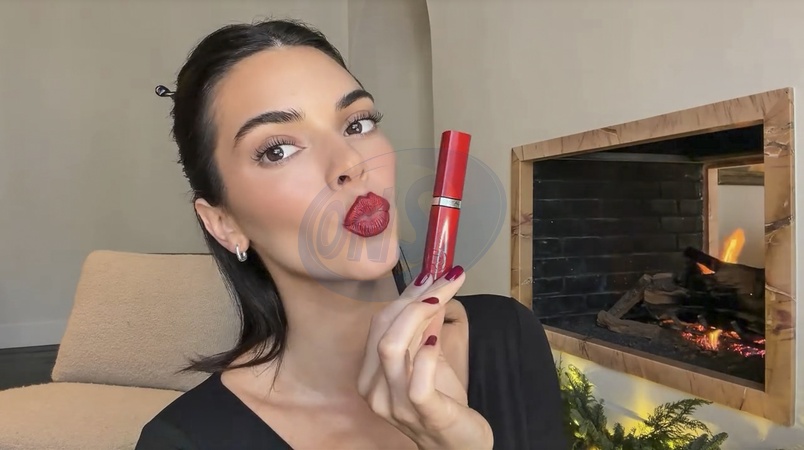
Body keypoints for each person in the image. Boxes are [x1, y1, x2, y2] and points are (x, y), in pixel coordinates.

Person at [136, 18, 568, 450]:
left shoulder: (508, 335)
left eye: (357, 124)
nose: (349, 162)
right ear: (223, 222)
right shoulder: (184, 440)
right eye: (277, 150)